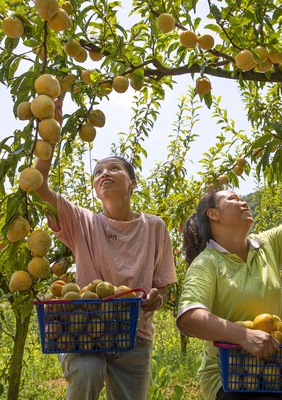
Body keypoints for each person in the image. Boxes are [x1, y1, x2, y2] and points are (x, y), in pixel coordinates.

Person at [34, 98, 177, 400]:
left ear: (133, 183)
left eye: (114, 169)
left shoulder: (155, 227)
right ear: (95, 190)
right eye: (99, 173)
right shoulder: (82, 222)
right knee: (86, 371)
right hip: (84, 330)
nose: (105, 174)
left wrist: (157, 299)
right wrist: (50, 133)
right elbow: (39, 186)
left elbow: (163, 289)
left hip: (134, 335)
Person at [176, 136, 282, 400]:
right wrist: (242, 335)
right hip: (229, 375)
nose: (243, 202)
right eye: (232, 198)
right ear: (213, 214)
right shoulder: (207, 263)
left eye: (243, 198)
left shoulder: (266, 245)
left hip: (277, 368)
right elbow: (188, 317)